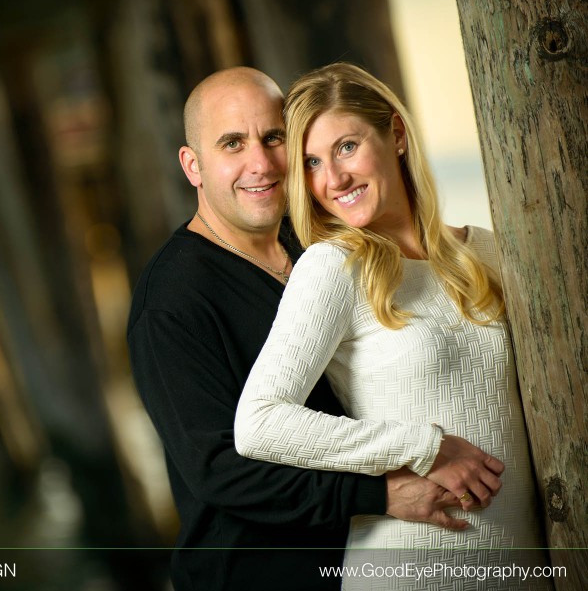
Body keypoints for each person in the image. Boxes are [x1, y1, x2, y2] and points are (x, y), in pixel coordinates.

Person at [127, 66, 502, 591]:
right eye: (232, 143)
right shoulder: (171, 301)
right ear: (193, 165)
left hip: (359, 559)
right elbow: (219, 468)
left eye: (274, 138)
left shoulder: (321, 245)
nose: (260, 163)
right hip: (252, 578)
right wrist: (380, 494)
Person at [234, 62, 550, 589]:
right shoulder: (332, 266)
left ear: (396, 134)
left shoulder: (490, 250)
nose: (332, 180)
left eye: (346, 147)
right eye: (310, 162)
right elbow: (259, 423)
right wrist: (426, 447)